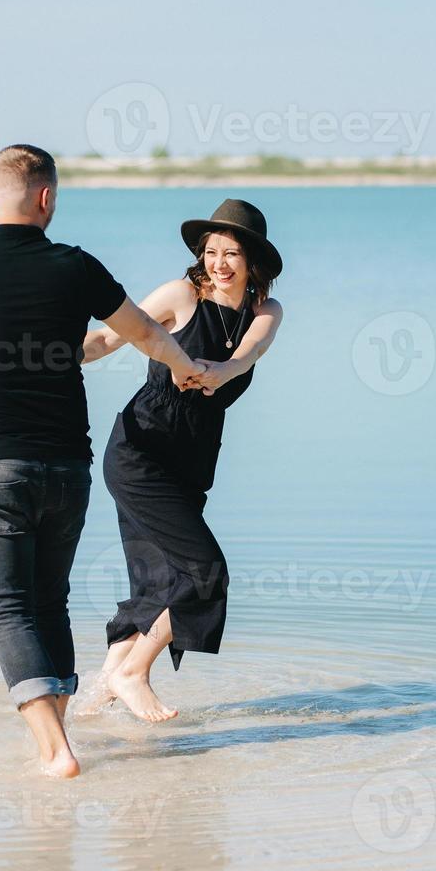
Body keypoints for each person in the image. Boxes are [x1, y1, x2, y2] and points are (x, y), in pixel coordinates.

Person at [0, 144, 206, 777]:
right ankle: (57, 720)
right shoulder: (75, 268)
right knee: (48, 600)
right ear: (47, 198)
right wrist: (184, 367)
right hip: (65, 470)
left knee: (6, 606)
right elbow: (145, 333)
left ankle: (55, 749)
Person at [78, 198, 285, 722]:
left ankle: (92, 704)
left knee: (156, 583)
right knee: (205, 572)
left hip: (192, 464)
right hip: (140, 452)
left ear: (252, 261)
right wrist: (41, 352)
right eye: (211, 251)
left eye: (231, 253)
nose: (219, 263)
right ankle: (131, 673)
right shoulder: (180, 296)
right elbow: (107, 338)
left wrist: (223, 370)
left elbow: (251, 351)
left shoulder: (264, 312)